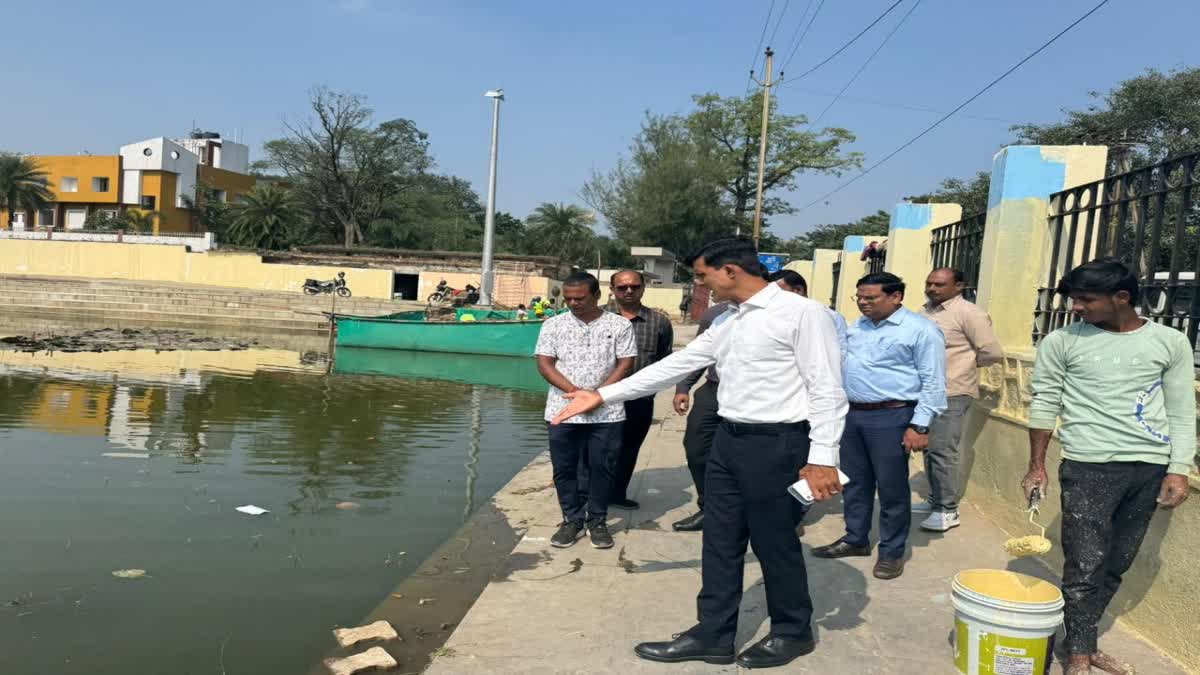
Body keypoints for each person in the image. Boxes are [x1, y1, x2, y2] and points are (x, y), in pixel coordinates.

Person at [552, 238, 847, 669]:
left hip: (776, 444)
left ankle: (792, 631)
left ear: (731, 271)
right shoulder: (730, 320)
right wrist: (602, 395)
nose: (700, 284)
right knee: (720, 541)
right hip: (728, 441)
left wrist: (823, 457)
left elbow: (827, 389)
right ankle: (714, 633)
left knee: (774, 542)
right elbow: (677, 365)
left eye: (702, 275)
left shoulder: (802, 314)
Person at [1021, 259, 1192, 675]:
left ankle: (1083, 638)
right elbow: (1045, 403)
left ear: (1122, 298)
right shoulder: (1062, 342)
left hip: (1149, 467)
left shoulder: (1169, 342)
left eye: (1086, 299)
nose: (1077, 307)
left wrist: (1178, 468)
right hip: (1089, 465)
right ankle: (1078, 656)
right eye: (1074, 299)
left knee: (1117, 561)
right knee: (1085, 561)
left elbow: (1182, 409)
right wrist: (1036, 466)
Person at [813, 272, 946, 581]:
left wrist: (920, 426)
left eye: (870, 298)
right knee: (854, 483)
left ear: (896, 297)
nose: (863, 303)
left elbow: (934, 383)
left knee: (891, 488)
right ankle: (855, 538)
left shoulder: (921, 331)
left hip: (893, 417)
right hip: (852, 415)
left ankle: (891, 551)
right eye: (859, 297)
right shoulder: (855, 327)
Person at [534, 272, 636, 550]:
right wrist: (575, 393)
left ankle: (597, 521)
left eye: (580, 298)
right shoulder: (553, 325)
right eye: (567, 298)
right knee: (564, 468)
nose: (573, 303)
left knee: (603, 467)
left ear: (597, 296)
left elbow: (626, 363)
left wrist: (597, 395)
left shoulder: (619, 325)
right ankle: (571, 519)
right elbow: (544, 363)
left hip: (607, 411)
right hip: (562, 409)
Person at [915, 267, 1002, 532]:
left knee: (943, 450)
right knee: (929, 450)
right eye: (929, 283)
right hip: (923, 393)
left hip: (952, 392)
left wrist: (962, 367)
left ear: (959, 286)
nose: (932, 289)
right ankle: (935, 500)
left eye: (939, 285)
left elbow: (991, 352)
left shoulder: (969, 313)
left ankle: (947, 510)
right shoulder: (924, 311)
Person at [603, 270, 673, 509]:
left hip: (638, 400)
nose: (629, 291)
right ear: (612, 289)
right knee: (594, 449)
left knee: (629, 448)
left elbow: (664, 360)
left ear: (643, 288)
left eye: (634, 286)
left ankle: (616, 493)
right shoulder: (597, 317)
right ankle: (588, 495)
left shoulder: (659, 322)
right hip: (601, 398)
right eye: (622, 287)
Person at [670, 298, 733, 532]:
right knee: (697, 448)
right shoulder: (715, 315)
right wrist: (683, 387)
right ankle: (709, 507)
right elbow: (697, 355)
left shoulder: (783, 314)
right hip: (714, 390)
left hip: (758, 395)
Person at [769, 269, 848, 355]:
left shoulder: (832, 317)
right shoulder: (775, 316)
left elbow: (842, 351)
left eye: (779, 294)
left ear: (798, 290)